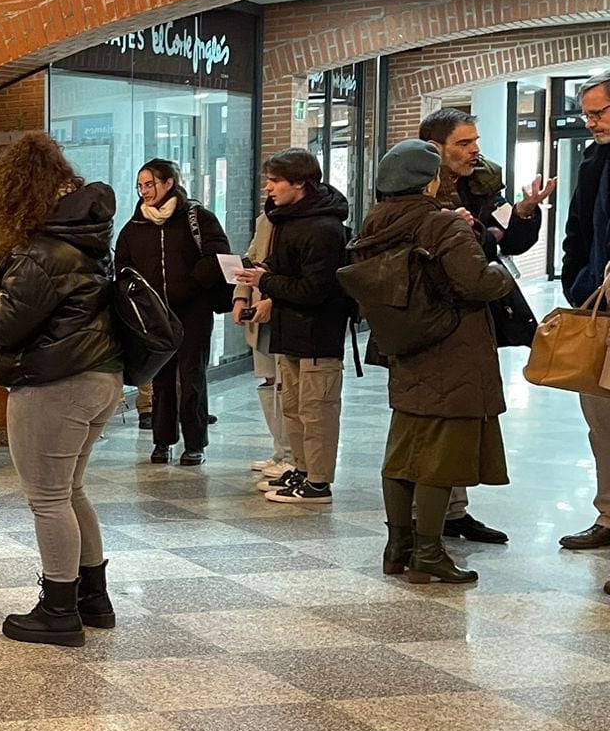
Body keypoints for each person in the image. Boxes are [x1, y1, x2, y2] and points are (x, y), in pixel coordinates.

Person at [0, 132, 122, 646]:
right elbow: (49, 291)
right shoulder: (83, 238)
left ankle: (58, 611)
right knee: (72, 491)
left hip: (55, 384)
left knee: (47, 498)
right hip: (100, 377)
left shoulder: (43, 249)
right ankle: (94, 598)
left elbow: (4, 322)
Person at [352, 140, 513, 585]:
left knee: (403, 453)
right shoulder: (442, 225)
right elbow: (477, 282)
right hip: (453, 352)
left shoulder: (374, 224)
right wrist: (503, 273)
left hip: (406, 348)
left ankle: (396, 548)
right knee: (440, 460)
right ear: (429, 182)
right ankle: (429, 553)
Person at [420, 106, 555, 545]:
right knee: (435, 417)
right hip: (432, 318)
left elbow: (508, 241)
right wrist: (480, 236)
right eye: (464, 143)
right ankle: (426, 520)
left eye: (475, 141)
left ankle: (455, 511)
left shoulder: (481, 182)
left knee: (468, 413)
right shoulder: (411, 185)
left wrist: (525, 212)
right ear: (435, 148)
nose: (475, 150)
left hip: (476, 315)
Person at [233, 149, 351, 505]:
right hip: (289, 332)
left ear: (300, 183)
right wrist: (263, 273)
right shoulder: (287, 220)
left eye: (275, 181)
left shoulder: (324, 228)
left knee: (317, 412)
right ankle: (300, 470)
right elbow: (279, 266)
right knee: (294, 409)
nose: (268, 188)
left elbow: (315, 289)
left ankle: (318, 482)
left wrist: (265, 282)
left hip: (317, 335)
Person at [114, 158, 232, 467]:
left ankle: (195, 443)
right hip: (155, 316)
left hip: (193, 309)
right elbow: (122, 267)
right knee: (160, 379)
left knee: (191, 376)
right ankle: (162, 440)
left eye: (149, 184)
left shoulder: (197, 218)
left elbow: (217, 255)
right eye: (140, 186)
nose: (144, 191)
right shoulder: (135, 225)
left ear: (169, 183)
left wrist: (192, 285)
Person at [559, 67, 610, 558]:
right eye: (588, 114)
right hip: (598, 309)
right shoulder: (595, 160)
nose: (592, 122)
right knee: (601, 421)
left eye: (600, 112)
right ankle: (608, 515)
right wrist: (576, 283)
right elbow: (579, 228)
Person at [235, 204, 291, 482]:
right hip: (260, 311)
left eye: (276, 181)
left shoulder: (303, 225)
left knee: (288, 382)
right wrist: (240, 297)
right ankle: (280, 451)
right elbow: (250, 259)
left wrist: (273, 299)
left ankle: (292, 456)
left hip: (284, 310)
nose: (270, 188)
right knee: (269, 380)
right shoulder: (263, 221)